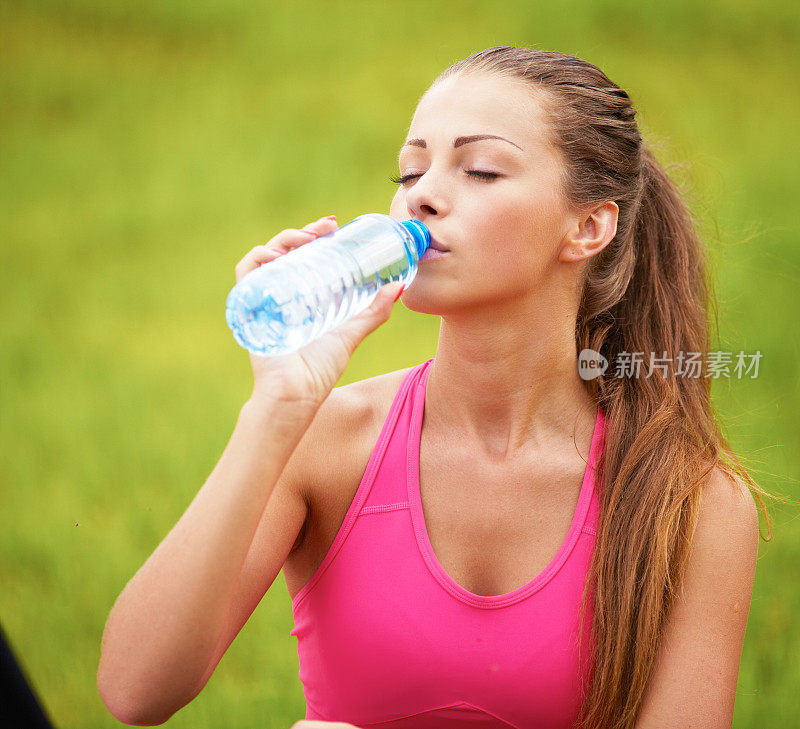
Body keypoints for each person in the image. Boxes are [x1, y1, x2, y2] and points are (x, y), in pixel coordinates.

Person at [97, 46, 773, 729]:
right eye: (411, 168)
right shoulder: (328, 439)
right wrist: (276, 407)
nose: (420, 194)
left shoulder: (689, 501)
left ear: (588, 226)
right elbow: (135, 688)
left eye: (479, 169)